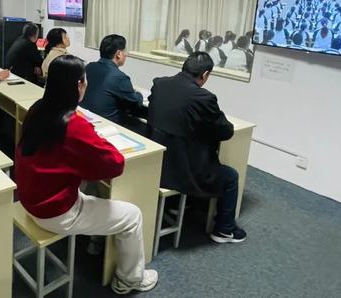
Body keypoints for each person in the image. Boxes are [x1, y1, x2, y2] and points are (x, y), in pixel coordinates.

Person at [16, 55, 158, 295]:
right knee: (132, 216)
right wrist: (96, 137)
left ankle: (96, 241)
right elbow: (115, 165)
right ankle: (130, 279)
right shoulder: (74, 125)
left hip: (31, 198)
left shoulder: (38, 109)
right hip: (55, 211)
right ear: (79, 84)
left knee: (92, 187)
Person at [147, 52, 245, 244]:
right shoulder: (204, 97)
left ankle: (175, 204)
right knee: (230, 177)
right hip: (183, 170)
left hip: (157, 162)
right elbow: (225, 131)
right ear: (205, 74)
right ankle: (224, 230)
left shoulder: (160, 84)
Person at [81, 34, 145, 128]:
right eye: (125, 51)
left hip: (86, 118)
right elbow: (136, 103)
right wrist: (139, 94)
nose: (126, 54)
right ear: (118, 54)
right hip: (106, 125)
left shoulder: (89, 67)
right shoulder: (119, 77)